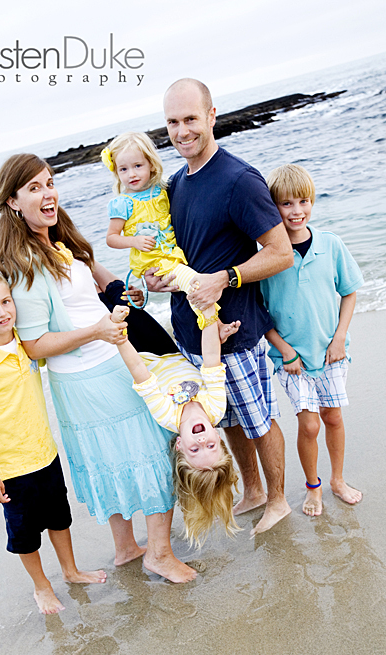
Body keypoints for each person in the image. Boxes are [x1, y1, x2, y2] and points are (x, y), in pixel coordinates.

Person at [0, 153, 196, 584]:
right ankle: (158, 554)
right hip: (91, 374)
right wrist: (97, 331)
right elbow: (33, 345)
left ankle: (127, 549)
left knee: (125, 454)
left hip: (107, 359)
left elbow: (101, 284)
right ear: (13, 202)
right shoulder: (25, 266)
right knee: (156, 448)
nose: (48, 193)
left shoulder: (57, 241)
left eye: (49, 183)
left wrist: (130, 294)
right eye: (34, 188)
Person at [147, 78, 293, 536]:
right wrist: (157, 280)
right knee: (225, 418)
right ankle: (251, 491)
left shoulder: (238, 179)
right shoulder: (176, 183)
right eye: (172, 122)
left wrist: (226, 278)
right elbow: (181, 256)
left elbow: (280, 252)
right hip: (193, 336)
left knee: (257, 420)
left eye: (190, 118)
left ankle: (279, 500)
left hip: (238, 331)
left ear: (211, 116)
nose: (181, 130)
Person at [0, 268, 107, 615]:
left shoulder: (26, 346)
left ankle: (70, 571)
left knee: (60, 518)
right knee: (25, 534)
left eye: (5, 302)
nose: (2, 313)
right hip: (12, 468)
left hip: (46, 454)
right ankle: (42, 587)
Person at [261, 164, 364, 516]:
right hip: (291, 359)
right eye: (286, 204)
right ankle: (313, 486)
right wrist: (285, 350)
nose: (296, 211)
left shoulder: (330, 244)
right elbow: (260, 313)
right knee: (309, 423)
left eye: (303, 201)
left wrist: (340, 338)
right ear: (273, 207)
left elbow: (349, 293)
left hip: (331, 352)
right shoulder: (267, 256)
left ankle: (337, 479)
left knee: (333, 418)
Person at [110, 302, 240, 546]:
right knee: (123, 298)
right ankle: (96, 270)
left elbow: (139, 370)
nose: (202, 442)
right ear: (219, 440)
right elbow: (211, 358)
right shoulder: (215, 407)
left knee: (106, 305)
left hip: (139, 353)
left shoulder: (167, 415)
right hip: (166, 348)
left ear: (180, 445)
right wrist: (210, 315)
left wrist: (119, 336)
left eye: (195, 450)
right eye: (210, 447)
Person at [102, 131, 219, 329]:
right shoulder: (122, 203)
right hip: (154, 261)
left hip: (173, 254)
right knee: (195, 284)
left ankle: (214, 325)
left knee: (192, 288)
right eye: (123, 169)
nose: (131, 174)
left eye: (137, 166)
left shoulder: (161, 189)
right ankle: (216, 330)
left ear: (151, 164)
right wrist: (134, 241)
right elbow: (111, 238)